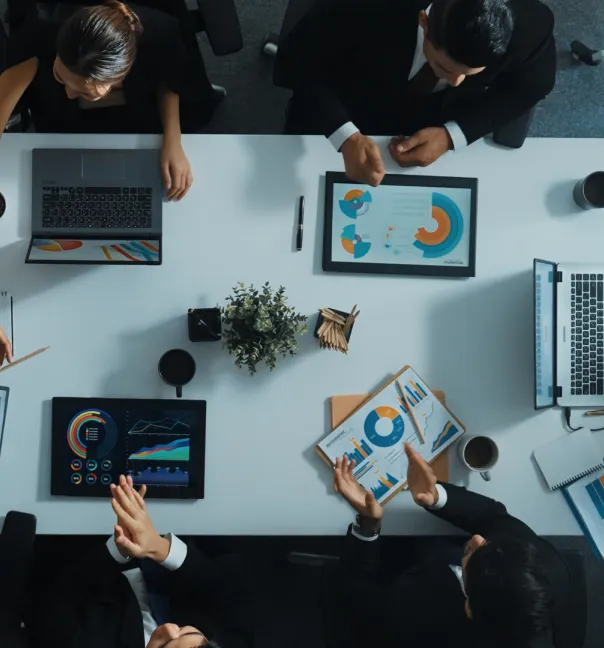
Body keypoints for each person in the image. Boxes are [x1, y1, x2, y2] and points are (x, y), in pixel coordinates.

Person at [277, 0, 556, 186]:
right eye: (444, 66)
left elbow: (533, 86)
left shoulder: (532, 25)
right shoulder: (361, 7)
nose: (457, 81)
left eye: (469, 73)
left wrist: (452, 135)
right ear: (424, 21)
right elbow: (299, 66)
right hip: (349, 97)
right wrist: (344, 136)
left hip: (441, 117)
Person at [328, 444, 570, 648]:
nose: (476, 539)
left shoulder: (414, 619)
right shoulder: (541, 561)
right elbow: (492, 515)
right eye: (490, 544)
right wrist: (436, 497)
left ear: (469, 609)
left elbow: (358, 601)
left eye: (476, 555)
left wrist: (368, 526)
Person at [0, 1, 217, 200]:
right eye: (60, 75)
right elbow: (5, 92)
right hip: (63, 115)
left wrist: (173, 140)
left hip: (136, 108)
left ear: (123, 73)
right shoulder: (43, 28)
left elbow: (170, 80)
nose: (69, 93)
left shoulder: (159, 31)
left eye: (86, 92)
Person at [33, 475, 254, 648]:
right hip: (186, 540)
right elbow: (229, 592)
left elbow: (60, 593)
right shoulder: (230, 641)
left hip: (84, 542)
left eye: (165, 645)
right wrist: (159, 548)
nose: (169, 629)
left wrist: (119, 548)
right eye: (189, 633)